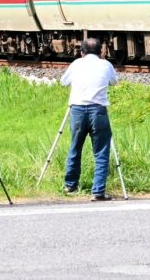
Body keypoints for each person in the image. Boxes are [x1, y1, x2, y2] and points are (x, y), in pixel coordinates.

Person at [60, 37, 118, 201]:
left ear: (82, 52)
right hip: (98, 111)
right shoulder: (106, 64)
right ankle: (98, 191)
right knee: (101, 151)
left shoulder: (76, 64)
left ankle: (70, 186)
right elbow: (114, 82)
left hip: (77, 110)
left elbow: (63, 82)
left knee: (75, 147)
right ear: (101, 52)